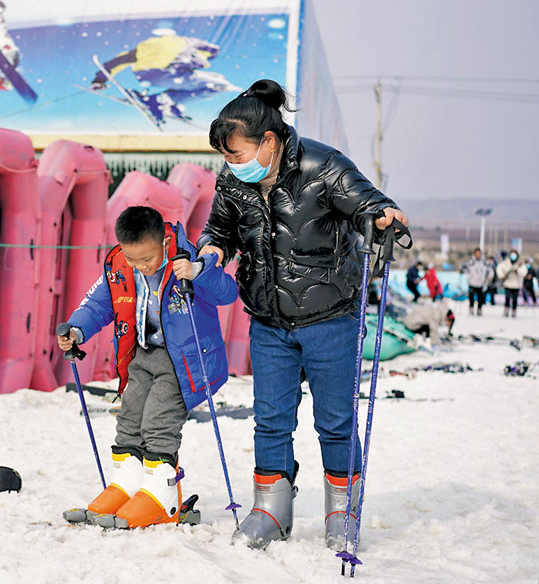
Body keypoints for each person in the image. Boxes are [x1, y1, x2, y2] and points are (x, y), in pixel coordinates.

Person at [197, 79, 408, 550]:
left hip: (329, 317)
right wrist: (212, 248)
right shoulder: (234, 179)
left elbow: (365, 203)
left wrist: (381, 217)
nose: (230, 165)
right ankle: (271, 509)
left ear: (267, 141)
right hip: (268, 319)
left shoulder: (323, 165)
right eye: (226, 157)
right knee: (271, 419)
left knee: (334, 420)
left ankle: (341, 510)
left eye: (236, 153)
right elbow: (220, 228)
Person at [58, 206, 239, 528]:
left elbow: (227, 293)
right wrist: (76, 330)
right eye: (132, 259)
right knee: (129, 417)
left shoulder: (190, 261)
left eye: (147, 260)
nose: (139, 267)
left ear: (165, 245)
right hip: (142, 353)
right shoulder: (120, 267)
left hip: (185, 360)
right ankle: (127, 485)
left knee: (158, 421)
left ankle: (160, 497)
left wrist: (199, 272)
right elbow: (99, 303)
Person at [90, 31, 238, 124]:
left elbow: (117, 62)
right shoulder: (190, 45)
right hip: (169, 73)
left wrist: (100, 80)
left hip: (145, 75)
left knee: (205, 78)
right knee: (220, 84)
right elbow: (206, 53)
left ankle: (166, 100)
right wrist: (208, 56)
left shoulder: (148, 46)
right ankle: (164, 100)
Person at [496, 250, 528, 317]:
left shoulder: (520, 264)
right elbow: (499, 268)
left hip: (516, 284)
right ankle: (506, 310)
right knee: (507, 298)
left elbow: (524, 272)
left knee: (514, 299)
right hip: (507, 283)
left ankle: (514, 310)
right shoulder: (505, 263)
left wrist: (518, 270)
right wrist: (502, 276)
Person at [460, 247, 491, 315]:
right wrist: (462, 271)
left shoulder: (484, 262)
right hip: (472, 282)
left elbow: (490, 270)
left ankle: (479, 309)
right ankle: (471, 308)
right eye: (476, 253)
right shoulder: (471, 262)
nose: (478, 255)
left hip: (481, 283)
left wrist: (489, 278)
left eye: (479, 253)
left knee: (480, 298)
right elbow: (463, 268)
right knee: (471, 297)